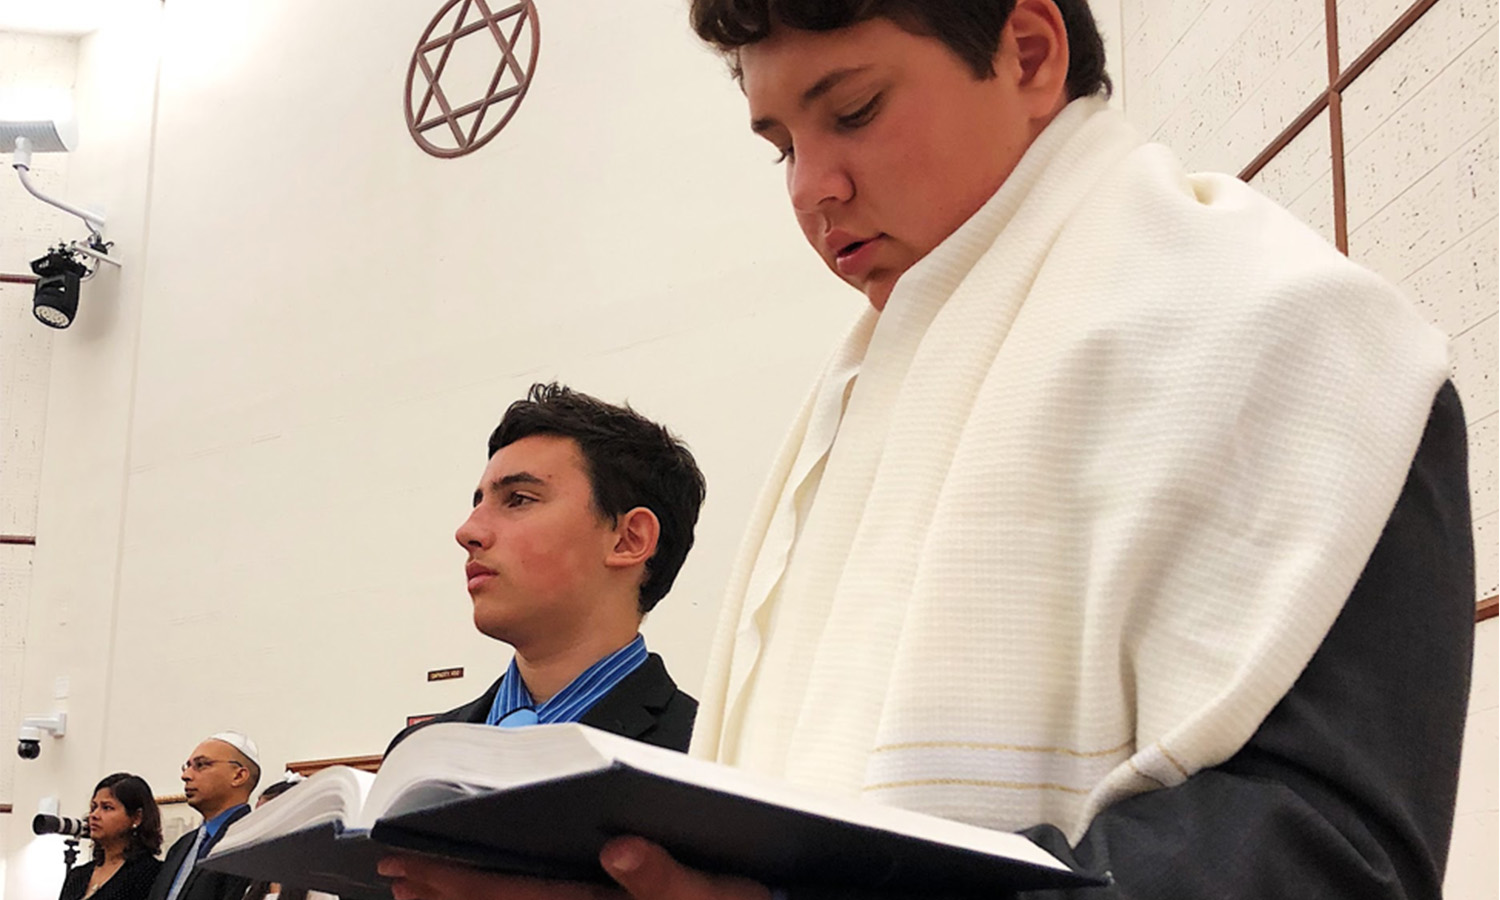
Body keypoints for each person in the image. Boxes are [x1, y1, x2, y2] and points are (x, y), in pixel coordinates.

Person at [380, 2, 1475, 899]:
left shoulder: (1292, 338)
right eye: (782, 146)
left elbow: (1331, 860)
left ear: (1028, 52)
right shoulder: (862, 398)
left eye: (853, 110)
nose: (811, 189)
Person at [385, 382, 706, 756]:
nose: (467, 532)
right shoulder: (418, 753)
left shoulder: (712, 759)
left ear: (628, 539)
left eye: (518, 499)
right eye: (478, 503)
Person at [145, 732, 261, 900]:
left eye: (200, 765)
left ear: (238, 776)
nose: (186, 776)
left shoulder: (252, 843)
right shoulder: (181, 846)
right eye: (187, 767)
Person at [57, 773, 164, 900]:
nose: (94, 815)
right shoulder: (77, 875)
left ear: (137, 817)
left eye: (107, 808)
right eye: (94, 807)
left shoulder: (150, 874)